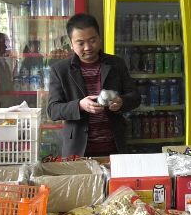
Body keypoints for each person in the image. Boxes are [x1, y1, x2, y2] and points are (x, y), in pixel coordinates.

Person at [47, 13, 140, 157]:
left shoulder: (116, 64)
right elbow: (53, 110)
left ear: (99, 38)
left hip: (114, 147)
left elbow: (135, 97)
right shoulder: (60, 70)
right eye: (81, 43)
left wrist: (122, 101)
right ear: (71, 44)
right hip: (78, 151)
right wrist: (79, 105)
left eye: (92, 40)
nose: (88, 47)